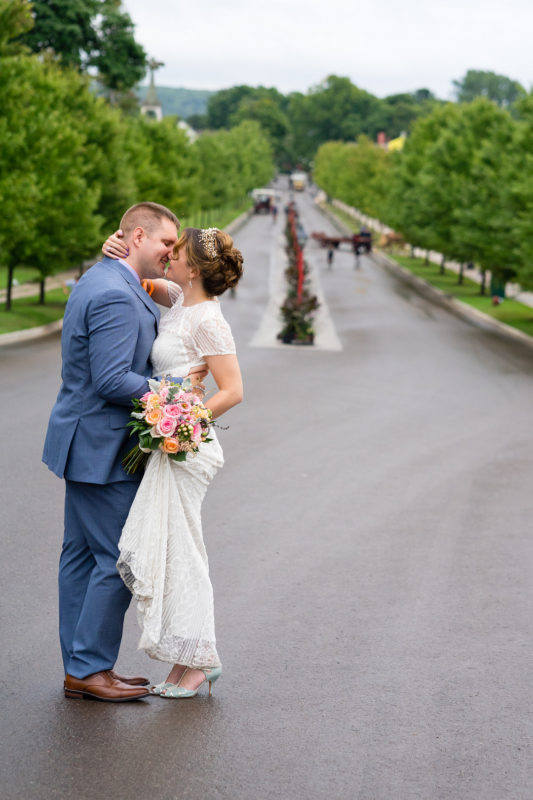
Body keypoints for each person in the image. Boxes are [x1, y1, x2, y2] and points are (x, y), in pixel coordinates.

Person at [43, 202, 206, 703]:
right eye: (164, 242)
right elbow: (112, 378)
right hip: (101, 446)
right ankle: (89, 668)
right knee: (117, 558)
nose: (171, 252)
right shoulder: (114, 293)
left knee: (81, 556)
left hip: (86, 440)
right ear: (136, 236)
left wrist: (128, 259)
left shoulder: (106, 278)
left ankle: (83, 666)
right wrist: (174, 391)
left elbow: (168, 291)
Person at [102, 225, 243, 699]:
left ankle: (202, 662)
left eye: (177, 252)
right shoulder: (180, 299)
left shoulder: (208, 320)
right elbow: (138, 278)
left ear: (195, 268)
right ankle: (187, 661)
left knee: (185, 551)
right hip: (169, 442)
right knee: (172, 549)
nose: (169, 257)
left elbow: (233, 390)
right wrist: (114, 247)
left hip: (187, 445)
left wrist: (182, 420)